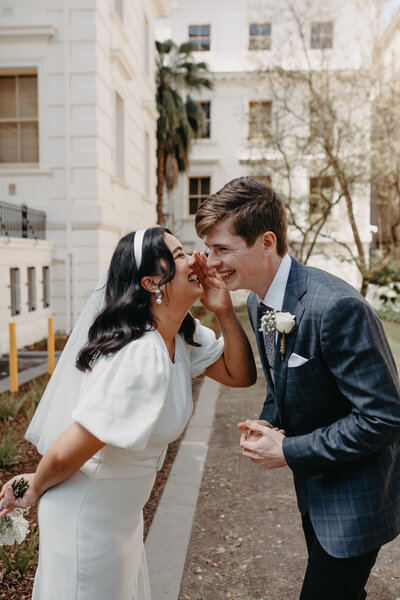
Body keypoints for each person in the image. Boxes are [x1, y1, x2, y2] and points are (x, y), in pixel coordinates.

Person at [0, 226, 256, 600]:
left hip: (120, 517)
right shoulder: (140, 353)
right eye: (182, 253)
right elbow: (77, 442)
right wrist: (34, 488)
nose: (196, 259)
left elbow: (240, 375)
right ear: (153, 281)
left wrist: (225, 312)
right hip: (87, 518)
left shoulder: (181, 336)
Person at [195, 177, 400, 600]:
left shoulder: (337, 307)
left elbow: (384, 417)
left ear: (266, 241)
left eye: (222, 249)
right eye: (209, 248)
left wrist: (288, 451)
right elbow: (282, 381)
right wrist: (267, 421)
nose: (211, 262)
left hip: (356, 499)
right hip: (317, 492)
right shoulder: (257, 301)